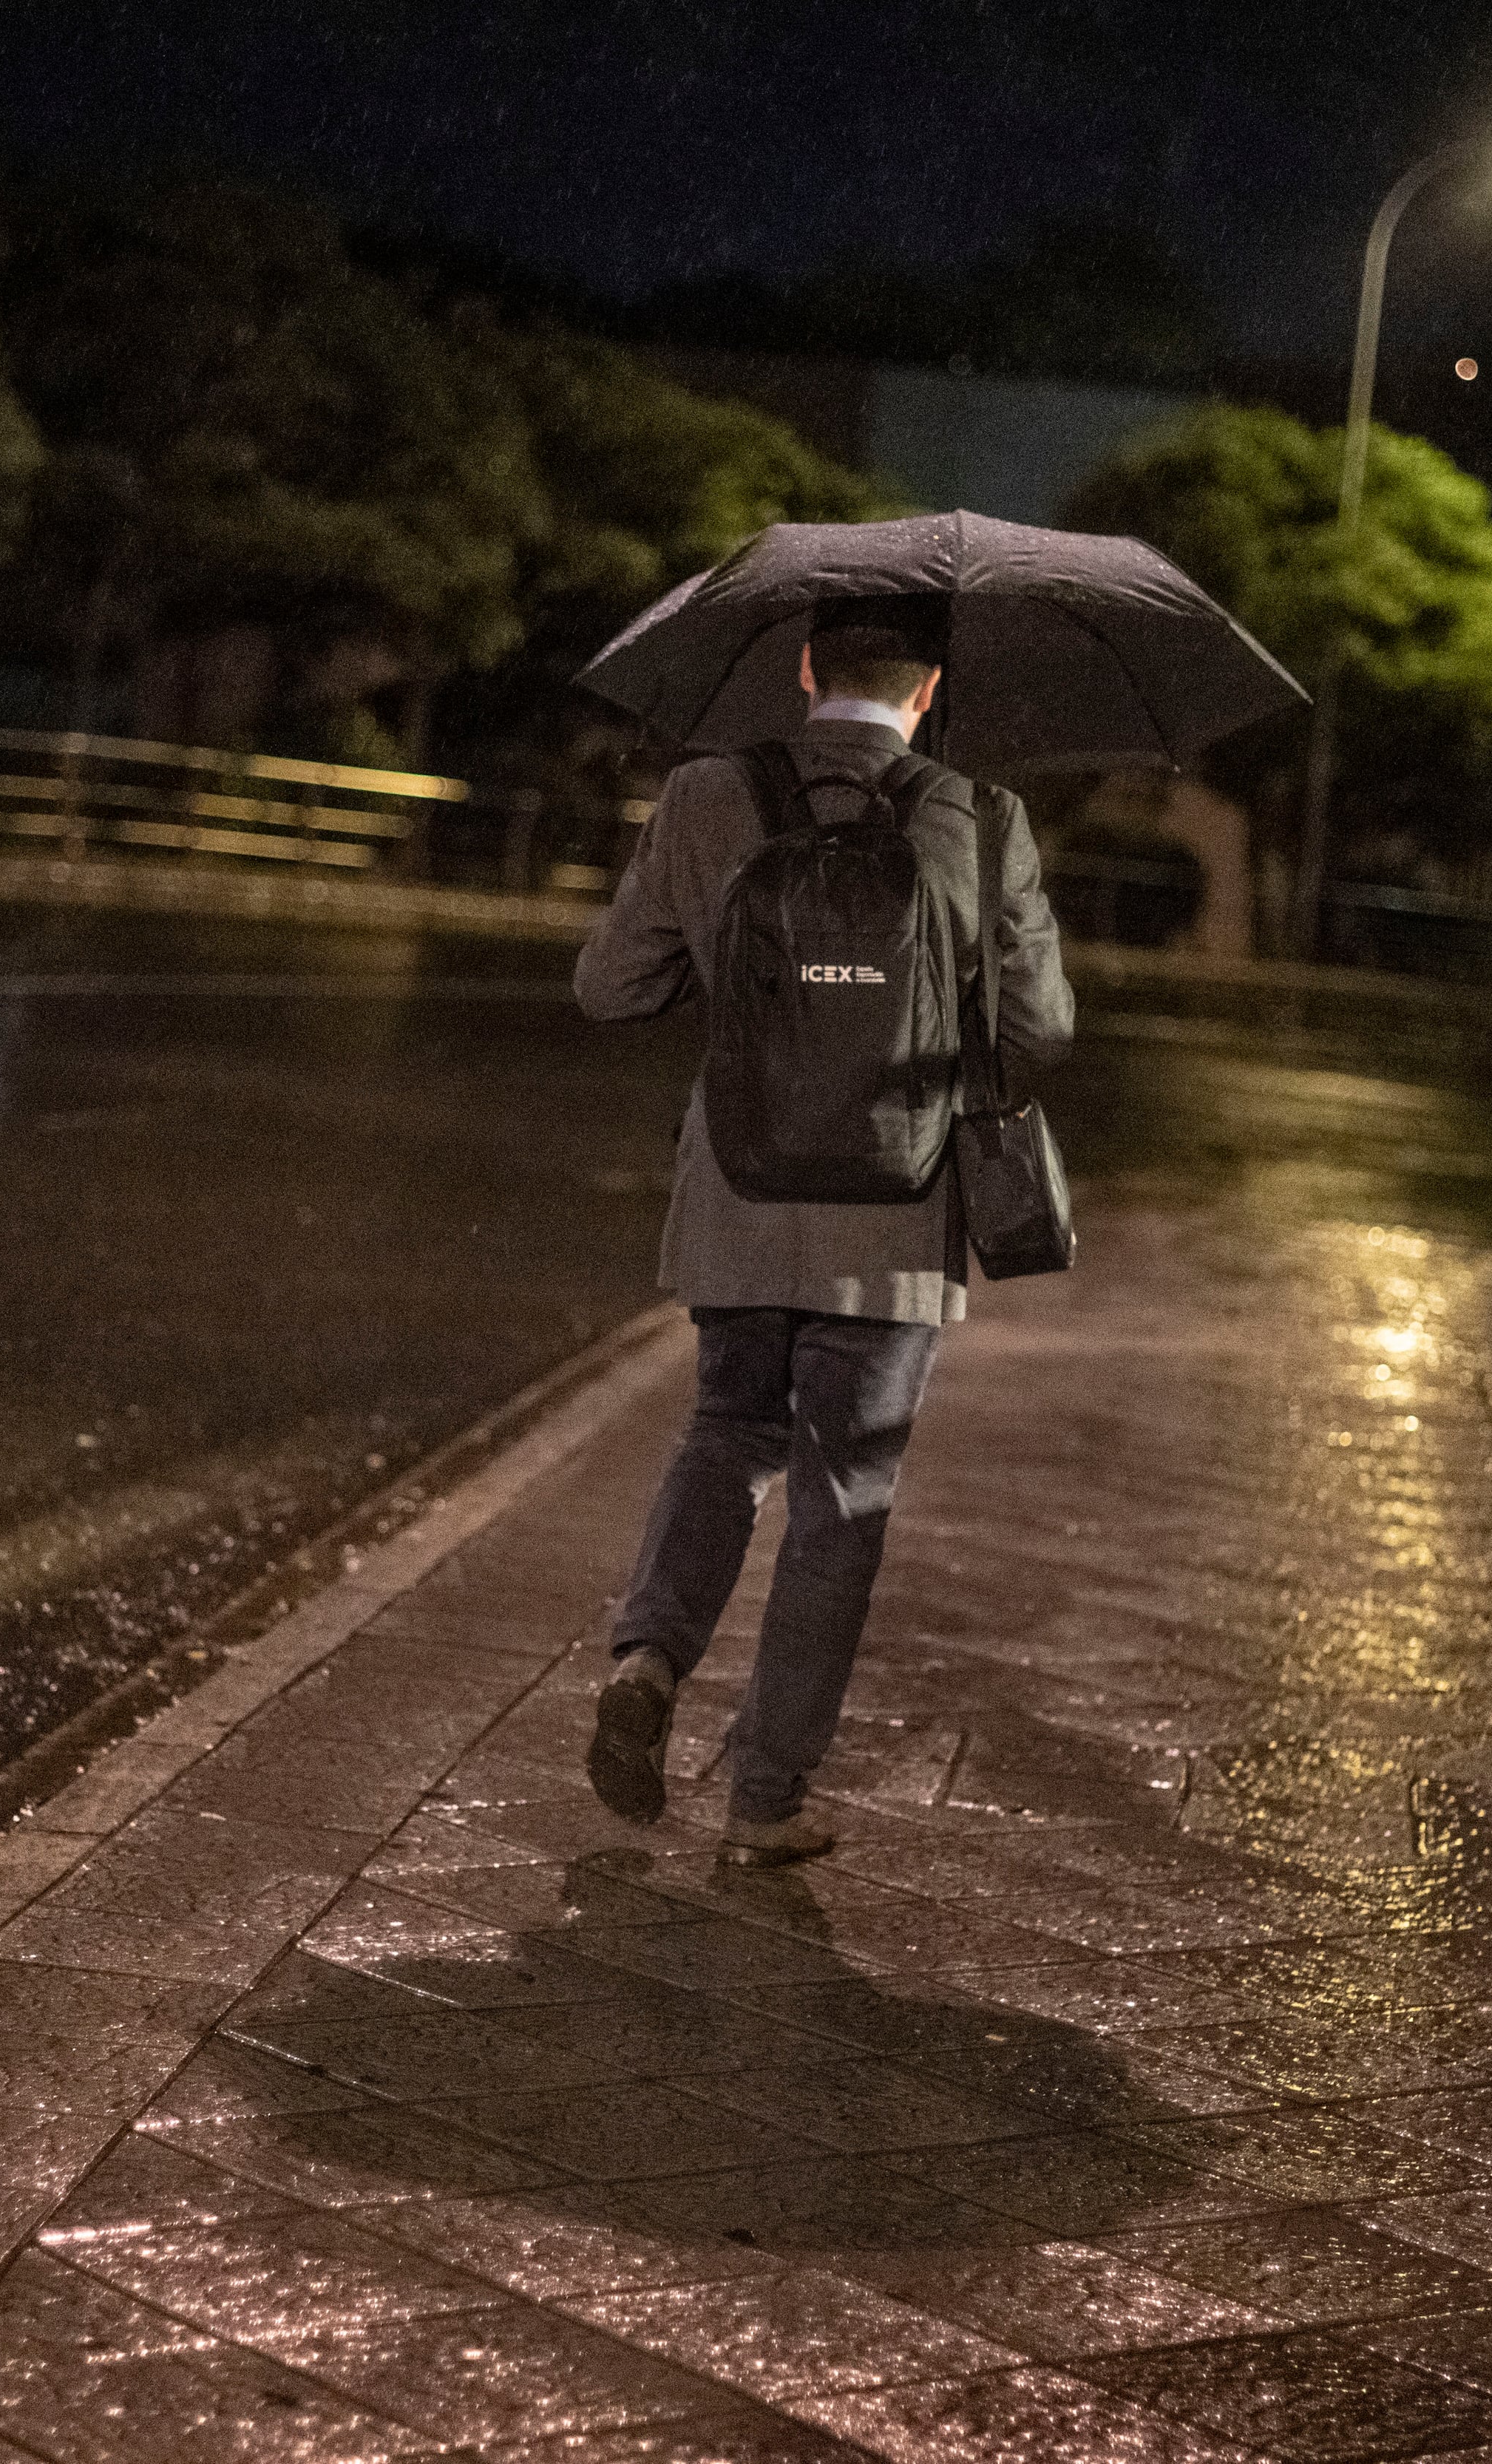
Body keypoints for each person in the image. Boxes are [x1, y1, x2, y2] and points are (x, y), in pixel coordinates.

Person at [569, 591, 1074, 1867]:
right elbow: (1041, 1028)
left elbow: (609, 984)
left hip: (737, 1202)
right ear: (928, 689)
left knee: (724, 1429)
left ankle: (646, 1658)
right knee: (840, 1494)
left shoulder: (703, 796)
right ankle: (768, 1795)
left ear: (803, 667)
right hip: (896, 1223)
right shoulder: (984, 816)